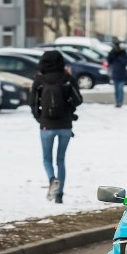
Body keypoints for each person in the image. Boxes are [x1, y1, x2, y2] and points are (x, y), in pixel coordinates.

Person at [30, 50, 82, 204]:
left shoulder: (39, 80)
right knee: (61, 160)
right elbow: (78, 99)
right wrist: (69, 107)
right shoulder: (67, 78)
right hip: (65, 125)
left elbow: (32, 103)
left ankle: (52, 179)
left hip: (46, 125)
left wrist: (39, 118)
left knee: (47, 159)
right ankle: (59, 196)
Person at [107, 39, 127, 107]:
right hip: (115, 74)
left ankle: (120, 102)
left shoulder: (123, 53)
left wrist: (119, 55)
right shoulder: (113, 53)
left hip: (122, 74)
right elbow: (109, 61)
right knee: (116, 90)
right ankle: (117, 102)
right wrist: (112, 54)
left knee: (120, 89)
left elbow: (125, 62)